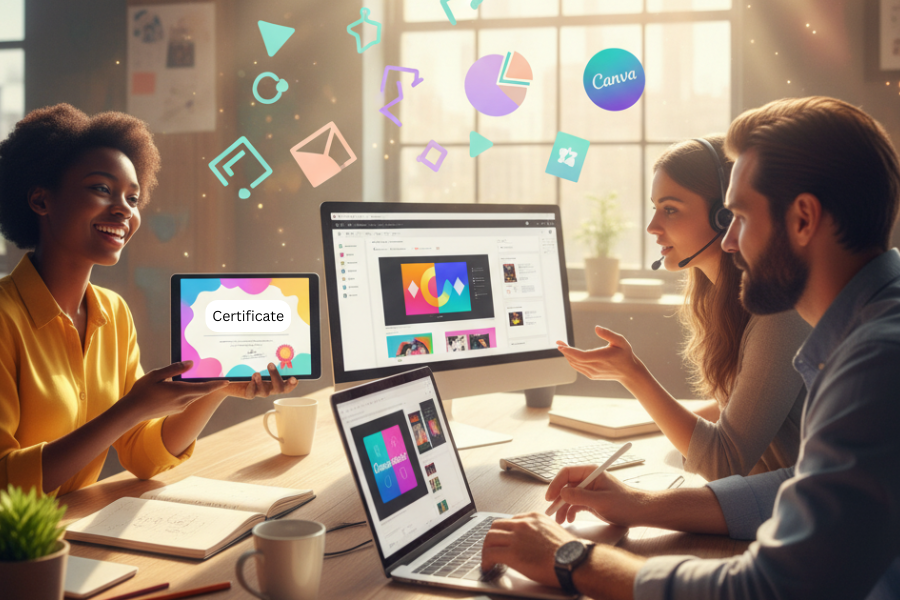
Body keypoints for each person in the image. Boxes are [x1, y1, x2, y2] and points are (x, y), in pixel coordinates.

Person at [482, 96, 900, 599]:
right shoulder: (867, 333)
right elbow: (802, 484)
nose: (728, 242)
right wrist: (642, 505)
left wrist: (572, 558)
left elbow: (768, 589)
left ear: (804, 219)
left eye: (739, 217)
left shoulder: (876, 363)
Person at [0, 104, 299, 497]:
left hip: (74, 531)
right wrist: (130, 409)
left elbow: (142, 456)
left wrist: (216, 387)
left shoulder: (114, 313)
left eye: (133, 198)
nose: (124, 209)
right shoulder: (6, 318)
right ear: (41, 200)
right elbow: (5, 481)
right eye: (102, 189)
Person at [558, 136, 809, 480]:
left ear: (725, 216)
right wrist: (640, 426)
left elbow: (721, 463)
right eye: (654, 208)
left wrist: (633, 375)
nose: (652, 227)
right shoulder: (721, 300)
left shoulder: (779, 316)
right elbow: (736, 408)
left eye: (670, 209)